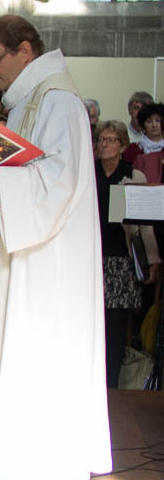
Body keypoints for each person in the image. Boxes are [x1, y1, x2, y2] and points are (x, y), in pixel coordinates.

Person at [0, 14, 111, 480]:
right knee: (10, 353)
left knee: (35, 353)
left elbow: (58, 181)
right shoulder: (24, 105)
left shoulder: (58, 102)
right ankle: (16, 467)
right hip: (20, 252)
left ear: (24, 50)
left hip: (47, 265)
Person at [95, 120, 160, 387]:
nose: (104, 145)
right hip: (91, 256)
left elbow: (144, 225)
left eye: (111, 140)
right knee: (90, 321)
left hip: (121, 259)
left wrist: (153, 260)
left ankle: (110, 383)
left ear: (122, 145)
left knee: (116, 325)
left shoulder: (133, 175)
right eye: (101, 139)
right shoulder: (89, 173)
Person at [130, 103, 164, 181]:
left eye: (158, 120)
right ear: (143, 125)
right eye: (149, 121)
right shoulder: (133, 149)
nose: (154, 125)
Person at [121, 91, 155, 161]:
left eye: (144, 109)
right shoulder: (121, 134)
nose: (140, 113)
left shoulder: (156, 138)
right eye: (136, 108)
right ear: (129, 110)